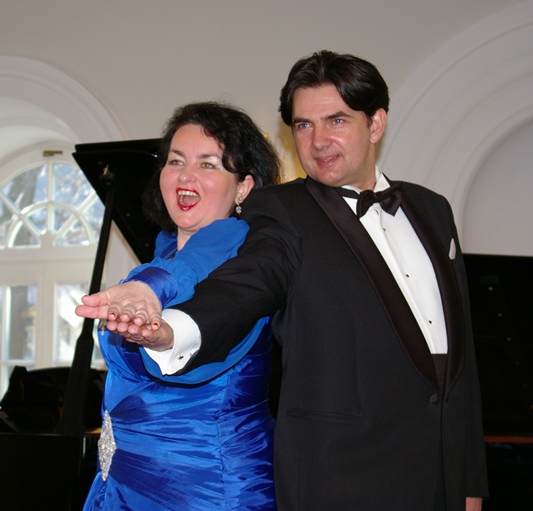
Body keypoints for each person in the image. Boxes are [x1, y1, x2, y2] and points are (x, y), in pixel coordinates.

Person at [77, 51, 489, 511]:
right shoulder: (280, 211)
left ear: (375, 124)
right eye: (303, 125)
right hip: (343, 480)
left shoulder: (434, 210)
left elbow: (460, 364)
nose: (318, 141)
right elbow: (242, 287)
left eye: (336, 120)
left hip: (435, 477)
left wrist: (469, 484)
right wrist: (171, 329)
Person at [81, 102, 281, 511]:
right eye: (175, 161)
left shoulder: (248, 267)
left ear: (244, 187)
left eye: (208, 164)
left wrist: (159, 319)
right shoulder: (162, 256)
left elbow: (201, 275)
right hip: (123, 483)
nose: (186, 176)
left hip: (206, 488)